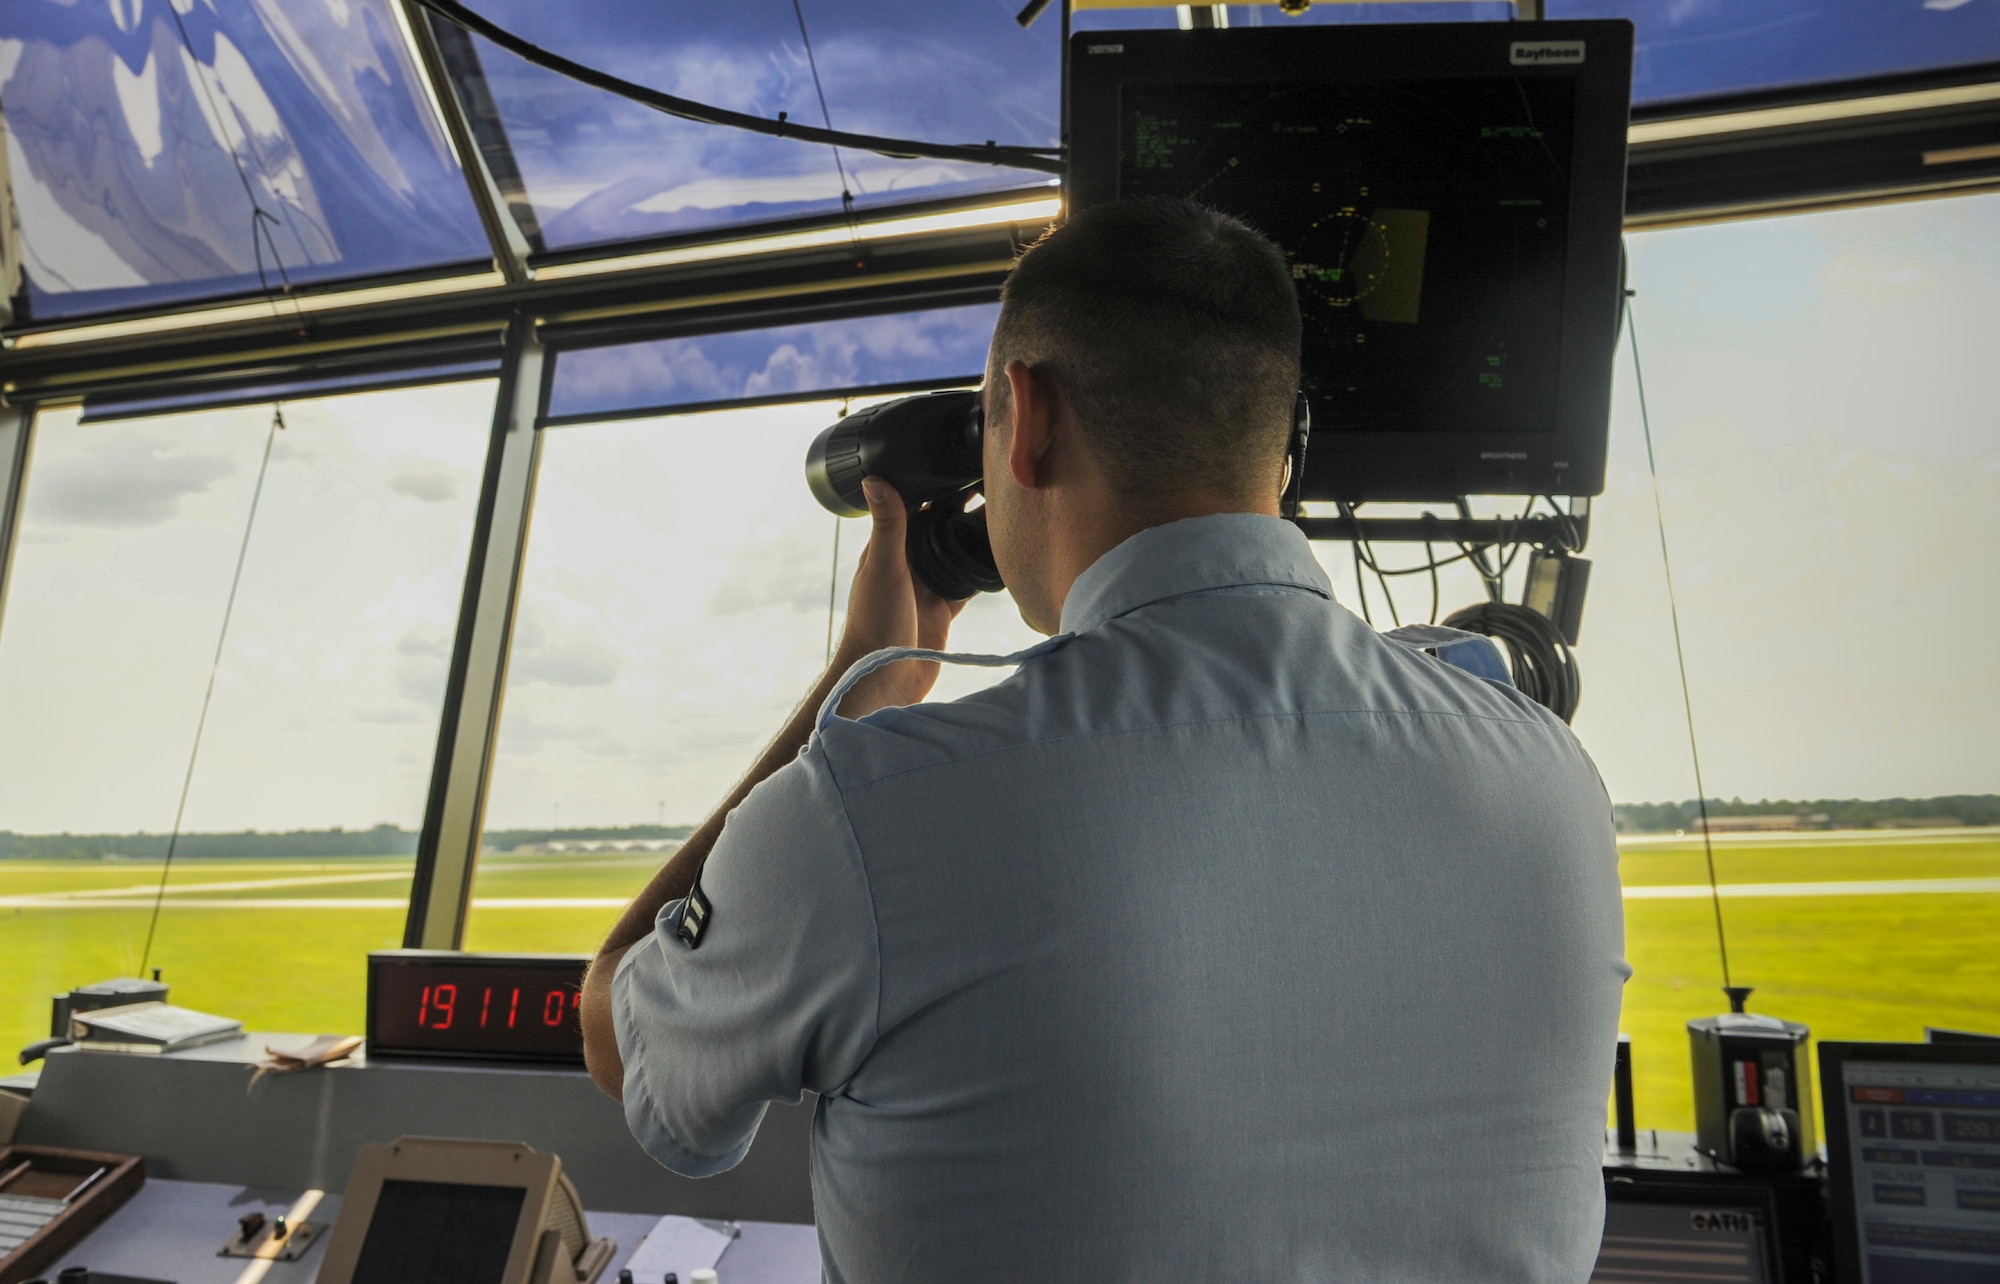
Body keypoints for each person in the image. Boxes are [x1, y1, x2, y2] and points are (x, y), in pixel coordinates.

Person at [579, 196, 1628, 1282]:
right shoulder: (1549, 781)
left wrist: (866, 685)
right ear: (1287, 442)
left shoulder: (870, 811)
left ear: (1023, 419)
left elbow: (631, 1045)